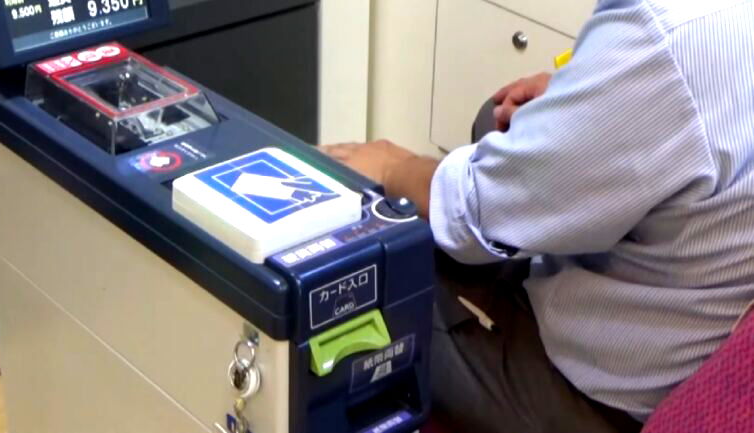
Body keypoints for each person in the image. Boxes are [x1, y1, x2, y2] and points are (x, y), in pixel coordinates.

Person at [321, 0, 754, 432]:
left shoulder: (665, 35)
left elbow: (472, 211)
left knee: (353, 291)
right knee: (489, 125)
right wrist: (592, 90)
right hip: (697, 310)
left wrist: (391, 167)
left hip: (599, 391)